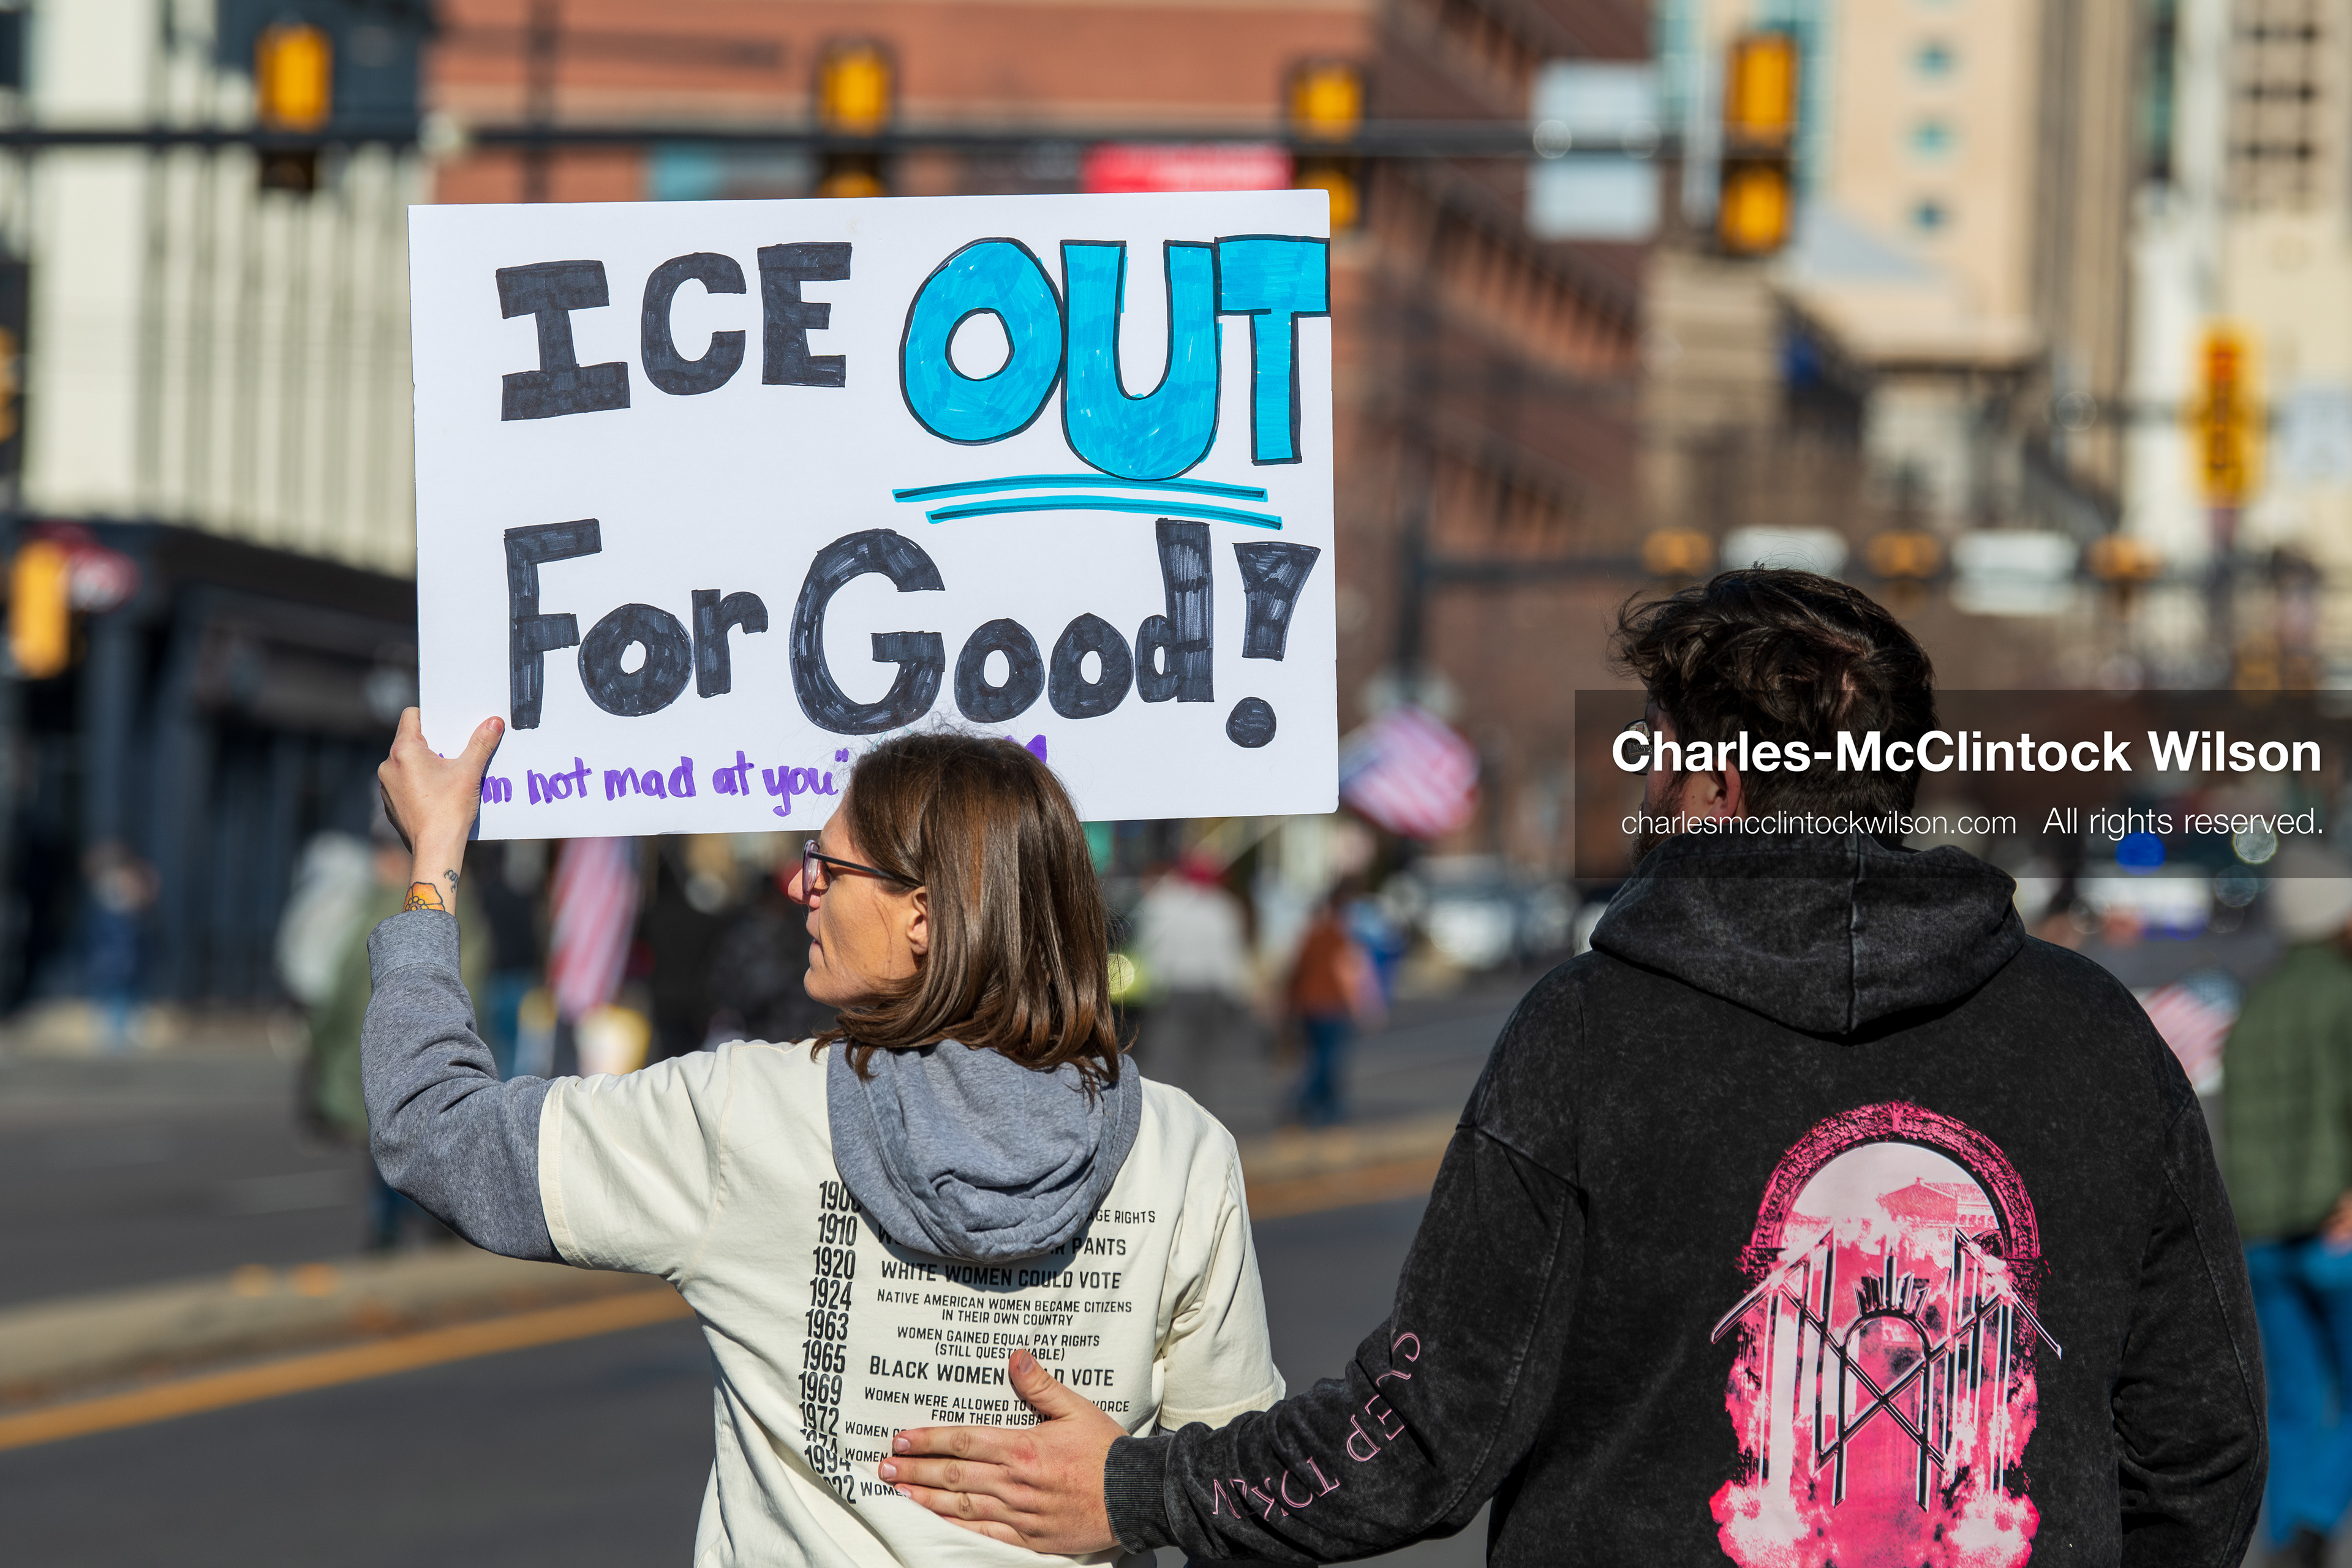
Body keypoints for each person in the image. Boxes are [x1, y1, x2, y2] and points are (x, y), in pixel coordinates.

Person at [882, 568, 2266, 1566]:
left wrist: (1139, 1490)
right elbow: (2196, 1454)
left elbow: (1419, 1433)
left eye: (1661, 752)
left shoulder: (1589, 1031)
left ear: (1717, 785)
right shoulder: (2094, 1035)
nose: (1647, 781)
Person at [364, 718, 1283, 1566]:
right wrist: (1130, 1492)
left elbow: (437, 1133)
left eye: (828, 867)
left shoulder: (747, 1113)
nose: (802, 885)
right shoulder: (1182, 1148)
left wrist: (434, 854)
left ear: (921, 917)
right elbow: (1243, 1495)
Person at [2223, 848, 2352, 1567]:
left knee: (2295, 1401)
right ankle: (2314, 1517)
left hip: (2263, 1230)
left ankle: (2289, 1541)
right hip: (2336, 1224)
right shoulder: (2342, 992)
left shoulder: (2259, 1000)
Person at [1283, 881, 1378, 1126]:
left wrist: (1287, 1003)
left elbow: (1296, 971)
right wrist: (1362, 1008)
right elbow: (1347, 974)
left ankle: (1319, 1109)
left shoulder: (1313, 933)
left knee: (1318, 1057)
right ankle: (1305, 1102)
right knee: (1328, 1061)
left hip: (1309, 1005)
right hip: (1331, 1006)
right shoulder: (1341, 936)